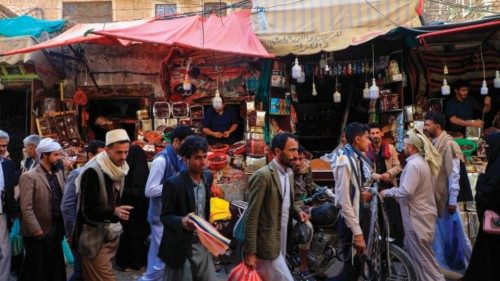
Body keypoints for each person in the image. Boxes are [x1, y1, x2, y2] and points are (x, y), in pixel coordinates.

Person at [380, 128, 445, 281]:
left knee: (425, 261)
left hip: (417, 219)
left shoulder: (414, 165)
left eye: (404, 144)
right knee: (411, 255)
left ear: (411, 147)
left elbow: (406, 191)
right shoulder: (420, 163)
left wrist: (388, 192)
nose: (402, 147)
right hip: (420, 216)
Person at [243, 132, 307, 281]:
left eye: (296, 150)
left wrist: (297, 212)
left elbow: (284, 201)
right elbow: (251, 217)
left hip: (282, 239)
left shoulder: (289, 174)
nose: (295, 155)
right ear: (278, 151)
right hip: (265, 245)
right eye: (291, 150)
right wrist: (250, 252)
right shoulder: (263, 175)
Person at [72, 129, 133, 281]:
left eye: (126, 152)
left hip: (109, 236)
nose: (123, 157)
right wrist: (114, 211)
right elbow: (88, 211)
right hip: (92, 238)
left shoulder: (120, 168)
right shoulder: (93, 171)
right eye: (119, 152)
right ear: (107, 150)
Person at [140, 125, 194, 281]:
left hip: (170, 216)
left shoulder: (179, 158)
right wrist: (173, 187)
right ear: (176, 141)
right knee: (163, 260)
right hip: (159, 217)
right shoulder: (162, 160)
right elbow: (149, 190)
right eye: (186, 144)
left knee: (156, 257)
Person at [158, 135, 216, 281]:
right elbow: (165, 216)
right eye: (197, 158)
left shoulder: (208, 177)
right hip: (180, 246)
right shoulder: (173, 184)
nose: (203, 162)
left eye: (204, 156)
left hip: (202, 244)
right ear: (186, 159)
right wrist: (182, 221)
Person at [424, 112, 473, 274]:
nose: (425, 127)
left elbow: (454, 175)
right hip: (437, 198)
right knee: (441, 236)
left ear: (437, 126)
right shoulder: (434, 142)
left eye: (427, 124)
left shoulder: (449, 144)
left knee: (456, 237)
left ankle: (466, 268)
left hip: (446, 200)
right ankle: (443, 268)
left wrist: (452, 200)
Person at [328, 122, 373, 281]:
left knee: (356, 266)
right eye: (367, 138)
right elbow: (343, 200)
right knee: (351, 268)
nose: (370, 141)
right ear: (357, 139)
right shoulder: (344, 160)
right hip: (350, 219)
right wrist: (358, 233)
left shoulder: (356, 157)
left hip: (358, 213)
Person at [19, 138, 66, 281]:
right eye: (55, 155)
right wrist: (35, 229)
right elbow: (26, 207)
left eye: (59, 154)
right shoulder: (29, 176)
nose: (58, 158)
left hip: (56, 228)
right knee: (37, 269)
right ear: (44, 155)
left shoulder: (58, 173)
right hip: (38, 231)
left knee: (54, 267)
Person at [61, 140, 105, 281]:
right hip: (80, 232)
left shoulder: (105, 173)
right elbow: (67, 206)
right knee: (81, 271)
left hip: (96, 233)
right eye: (101, 154)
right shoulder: (78, 173)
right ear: (90, 155)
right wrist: (72, 232)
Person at [463, 132, 500, 281]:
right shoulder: (495, 166)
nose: (486, 149)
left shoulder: (496, 170)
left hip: (494, 223)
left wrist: (482, 181)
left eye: (489, 146)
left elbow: (489, 192)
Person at [366, 123, 404, 247]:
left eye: (377, 133)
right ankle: (381, 247)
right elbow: (367, 172)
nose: (375, 136)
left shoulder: (390, 148)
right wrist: (380, 176)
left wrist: (388, 173)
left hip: (389, 189)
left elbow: (398, 166)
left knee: (394, 217)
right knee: (378, 218)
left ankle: (397, 247)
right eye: (373, 133)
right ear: (369, 135)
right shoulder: (366, 150)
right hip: (374, 190)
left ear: (382, 133)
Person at [116, 144, 150, 271]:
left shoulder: (123, 173)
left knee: (127, 234)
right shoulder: (142, 172)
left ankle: (126, 263)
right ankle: (137, 262)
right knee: (136, 234)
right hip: (139, 207)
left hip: (127, 205)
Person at [292, 145, 318, 281]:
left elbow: (311, 186)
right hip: (292, 209)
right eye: (294, 159)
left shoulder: (306, 168)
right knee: (307, 227)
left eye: (300, 159)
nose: (297, 163)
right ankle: (303, 266)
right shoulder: (287, 173)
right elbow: (288, 201)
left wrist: (325, 192)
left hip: (305, 204)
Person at [0, 130, 19, 281]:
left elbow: (11, 190)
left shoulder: (8, 165)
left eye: (4, 146)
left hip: (2, 213)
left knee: (4, 248)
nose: (1, 149)